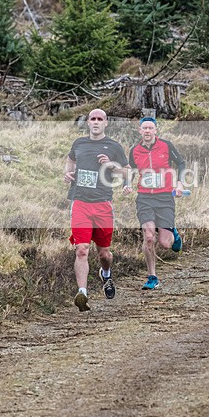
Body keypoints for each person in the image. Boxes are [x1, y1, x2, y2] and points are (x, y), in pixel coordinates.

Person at [64, 109, 130, 312]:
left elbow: (127, 171)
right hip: (80, 203)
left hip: (102, 204)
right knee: (81, 249)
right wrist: (67, 174)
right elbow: (70, 161)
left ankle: (106, 274)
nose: (96, 122)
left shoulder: (113, 146)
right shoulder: (79, 143)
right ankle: (82, 293)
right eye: (92, 119)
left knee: (105, 254)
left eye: (100, 119)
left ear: (106, 123)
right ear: (88, 122)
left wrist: (111, 166)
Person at [124, 117, 186, 291]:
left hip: (165, 198)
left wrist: (180, 183)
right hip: (144, 198)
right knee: (149, 236)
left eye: (151, 128)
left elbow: (181, 163)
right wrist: (127, 184)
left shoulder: (166, 146)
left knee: (166, 244)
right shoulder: (134, 150)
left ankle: (173, 232)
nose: (148, 131)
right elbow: (131, 170)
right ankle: (152, 277)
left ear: (156, 130)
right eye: (145, 128)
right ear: (140, 131)